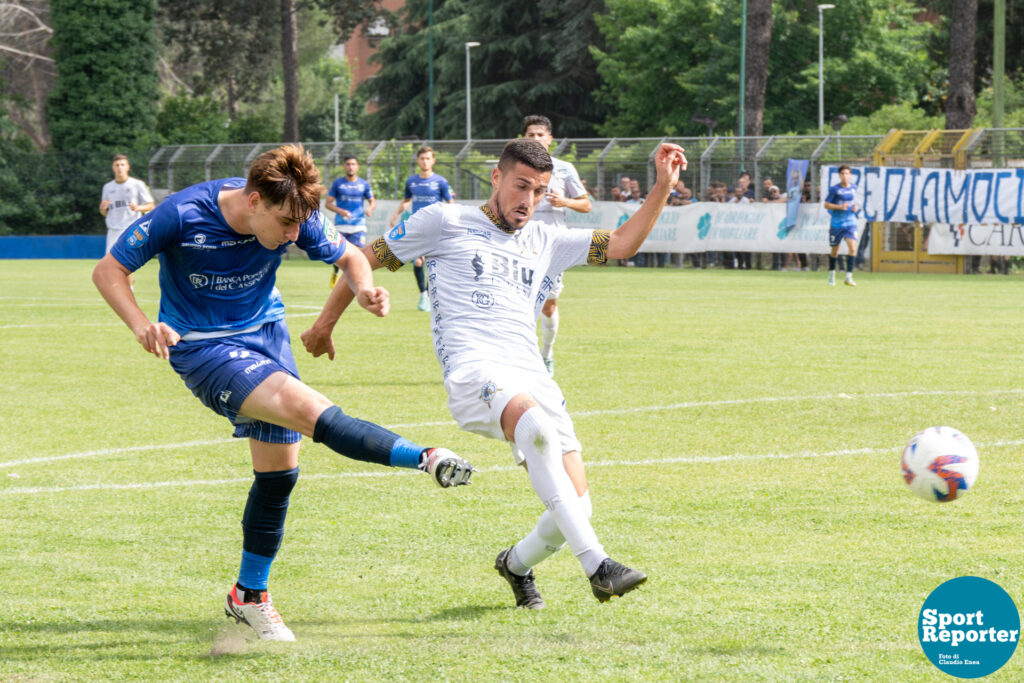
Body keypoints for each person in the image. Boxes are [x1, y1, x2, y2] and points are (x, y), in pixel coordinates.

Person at [91, 144, 474, 642]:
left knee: (279, 476)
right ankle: (426, 457)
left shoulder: (296, 210)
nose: (295, 236)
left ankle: (249, 595)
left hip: (266, 333)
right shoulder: (183, 214)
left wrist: (362, 289)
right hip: (205, 348)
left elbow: (352, 255)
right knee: (308, 410)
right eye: (287, 225)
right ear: (253, 202)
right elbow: (108, 271)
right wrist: (142, 324)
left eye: (300, 226)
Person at [302, 139, 688, 607]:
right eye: (521, 185)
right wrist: (325, 324)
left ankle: (515, 564)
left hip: (532, 376)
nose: (528, 200)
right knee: (536, 429)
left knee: (576, 508)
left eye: (540, 191)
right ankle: (599, 566)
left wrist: (664, 186)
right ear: (496, 178)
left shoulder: (547, 240)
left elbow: (623, 243)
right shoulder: (444, 220)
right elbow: (365, 257)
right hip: (474, 372)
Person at [522, 114, 592, 376]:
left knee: (549, 305)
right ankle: (521, 359)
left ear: (550, 139)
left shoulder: (563, 168)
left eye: (541, 134)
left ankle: (547, 354)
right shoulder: (515, 167)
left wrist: (566, 202)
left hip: (552, 247)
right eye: (531, 135)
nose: (536, 139)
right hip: (520, 244)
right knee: (520, 303)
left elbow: (585, 204)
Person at [389, 146, 453, 311]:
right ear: (418, 161)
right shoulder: (411, 181)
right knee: (418, 261)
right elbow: (406, 200)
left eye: (428, 158)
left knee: (433, 263)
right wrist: (396, 214)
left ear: (433, 161)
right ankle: (423, 294)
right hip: (417, 226)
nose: (425, 161)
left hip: (436, 227)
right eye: (422, 158)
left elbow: (450, 202)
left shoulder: (441, 182)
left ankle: (430, 295)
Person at [99, 154, 155, 289]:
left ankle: (129, 290)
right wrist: (102, 208)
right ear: (113, 168)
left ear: (128, 167)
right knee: (110, 264)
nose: (120, 168)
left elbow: (151, 205)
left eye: (122, 165)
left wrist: (138, 208)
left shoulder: (136, 184)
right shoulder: (108, 187)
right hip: (113, 230)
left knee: (124, 262)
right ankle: (122, 290)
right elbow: (104, 211)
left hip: (130, 228)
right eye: (117, 165)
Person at [325, 155, 376, 288]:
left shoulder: (363, 184)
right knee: (339, 254)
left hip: (358, 225)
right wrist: (340, 211)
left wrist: (370, 208)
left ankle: (352, 282)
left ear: (357, 166)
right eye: (348, 164)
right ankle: (336, 272)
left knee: (358, 254)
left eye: (353, 164)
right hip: (341, 225)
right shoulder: (338, 184)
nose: (350, 166)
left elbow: (372, 201)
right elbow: (328, 203)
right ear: (344, 166)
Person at [823, 164, 860, 286]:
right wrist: (839, 207)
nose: (845, 176)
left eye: (847, 173)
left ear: (850, 175)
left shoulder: (854, 188)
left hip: (850, 222)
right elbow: (826, 204)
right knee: (835, 250)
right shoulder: (834, 189)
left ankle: (849, 277)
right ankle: (831, 274)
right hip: (837, 223)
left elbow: (853, 203)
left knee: (853, 248)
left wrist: (855, 208)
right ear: (839, 175)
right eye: (842, 174)